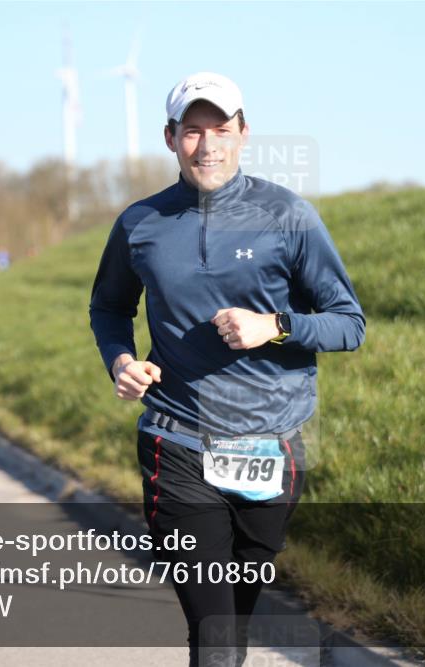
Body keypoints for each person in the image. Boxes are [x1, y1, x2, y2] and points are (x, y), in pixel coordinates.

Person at [89, 72, 365, 666]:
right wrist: (121, 360)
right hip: (177, 441)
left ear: (243, 133)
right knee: (213, 635)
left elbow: (349, 322)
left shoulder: (288, 216)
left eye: (220, 129)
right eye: (192, 131)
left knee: (234, 623)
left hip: (272, 447)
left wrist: (277, 326)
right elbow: (109, 306)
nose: (206, 145)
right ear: (170, 138)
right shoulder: (140, 223)